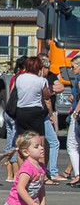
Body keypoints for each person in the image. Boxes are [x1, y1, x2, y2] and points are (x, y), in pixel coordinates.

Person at [40, 56, 64, 183]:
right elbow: (47, 99)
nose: (47, 70)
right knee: (53, 142)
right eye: (46, 67)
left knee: (45, 145)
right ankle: (52, 172)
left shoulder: (49, 76)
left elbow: (61, 87)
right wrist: (50, 116)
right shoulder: (41, 80)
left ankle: (45, 171)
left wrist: (49, 90)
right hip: (43, 115)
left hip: (36, 114)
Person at [13, 56, 50, 138]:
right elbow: (47, 96)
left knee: (23, 136)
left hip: (21, 110)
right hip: (35, 110)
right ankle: (39, 149)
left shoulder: (19, 78)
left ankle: (22, 150)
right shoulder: (40, 80)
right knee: (39, 135)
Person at [66, 56, 80, 188]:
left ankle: (77, 175)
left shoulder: (79, 78)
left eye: (73, 67)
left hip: (78, 115)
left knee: (71, 145)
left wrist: (75, 112)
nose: (71, 69)